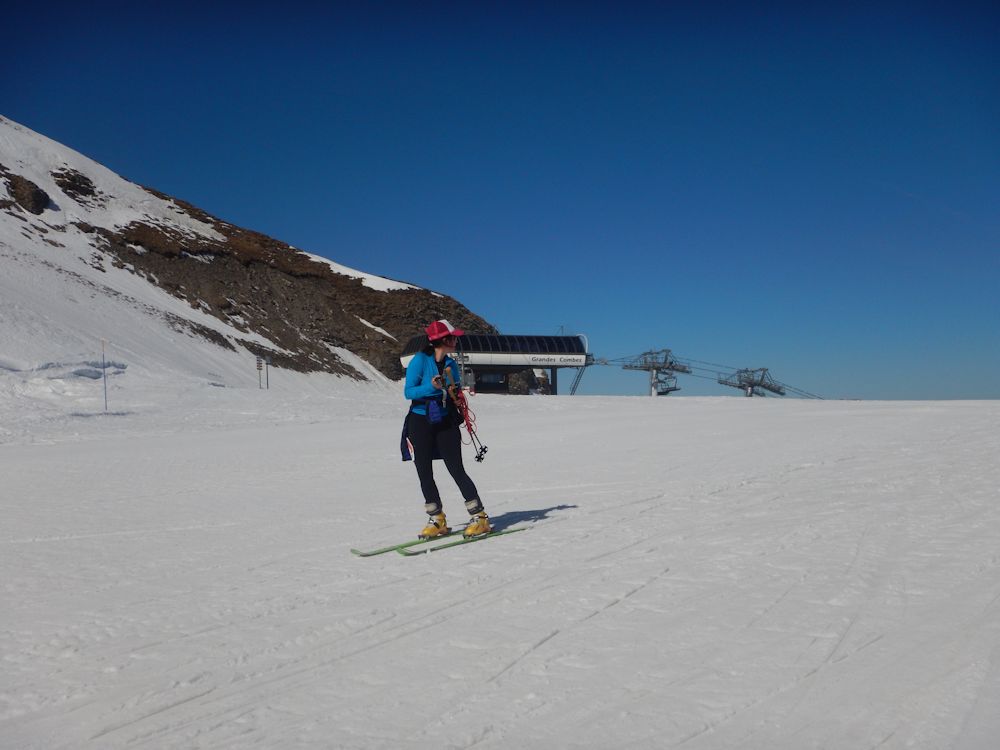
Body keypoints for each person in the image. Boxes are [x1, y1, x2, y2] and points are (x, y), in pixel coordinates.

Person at [404, 319, 491, 539]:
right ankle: (437, 519)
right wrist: (431, 387)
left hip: (445, 421)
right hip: (420, 421)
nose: (456, 340)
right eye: (453, 337)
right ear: (443, 340)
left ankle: (479, 517)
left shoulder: (451, 364)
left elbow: (455, 390)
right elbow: (409, 392)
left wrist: (454, 395)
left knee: (456, 468)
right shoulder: (419, 361)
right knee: (424, 471)